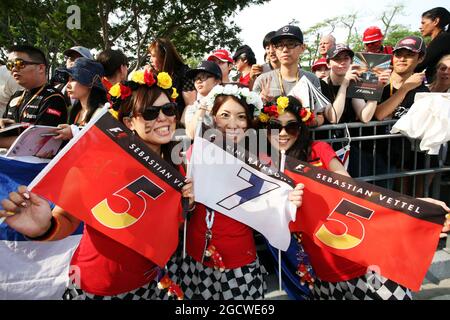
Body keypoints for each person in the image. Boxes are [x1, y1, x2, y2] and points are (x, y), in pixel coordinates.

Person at [0, 69, 194, 300]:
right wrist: (44, 227)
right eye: (150, 112)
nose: (162, 118)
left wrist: (188, 205)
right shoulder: (98, 161)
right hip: (99, 284)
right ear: (128, 122)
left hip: (155, 279)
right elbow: (67, 220)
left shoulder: (179, 162)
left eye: (168, 109)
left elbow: (173, 224)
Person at [257, 95, 450, 300]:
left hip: (359, 255)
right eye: (275, 126)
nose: (283, 133)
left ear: (302, 128)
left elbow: (354, 191)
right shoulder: (262, 164)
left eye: (292, 127)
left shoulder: (318, 150)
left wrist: (414, 207)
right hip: (320, 268)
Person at [178, 83, 303, 300]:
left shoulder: (261, 162)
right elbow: (181, 208)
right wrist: (186, 200)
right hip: (195, 255)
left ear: (249, 122)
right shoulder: (195, 152)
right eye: (225, 115)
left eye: (241, 117)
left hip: (239, 258)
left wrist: (288, 201)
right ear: (214, 117)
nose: (233, 124)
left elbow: (272, 209)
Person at [0, 45, 67, 149]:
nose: (13, 69)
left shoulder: (53, 98)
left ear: (40, 68)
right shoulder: (16, 96)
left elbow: (39, 141)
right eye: (9, 65)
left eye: (19, 64)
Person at [51, 58, 107, 140]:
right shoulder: (74, 111)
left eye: (73, 79)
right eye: (68, 80)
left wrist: (74, 132)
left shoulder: (102, 113)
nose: (68, 85)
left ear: (90, 83)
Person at [148, 38, 196, 115]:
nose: (150, 60)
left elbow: (190, 106)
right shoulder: (157, 75)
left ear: (164, 57)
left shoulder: (185, 73)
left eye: (153, 56)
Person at [183, 60, 222, 137]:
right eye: (196, 78)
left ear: (217, 81)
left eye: (203, 77)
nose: (198, 81)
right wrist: (203, 105)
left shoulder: (227, 102)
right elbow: (192, 134)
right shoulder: (192, 108)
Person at [415, 7, 450, 83]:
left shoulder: (443, 39)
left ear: (436, 21)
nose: (420, 27)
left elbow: (421, 64)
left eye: (423, 23)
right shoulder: (442, 39)